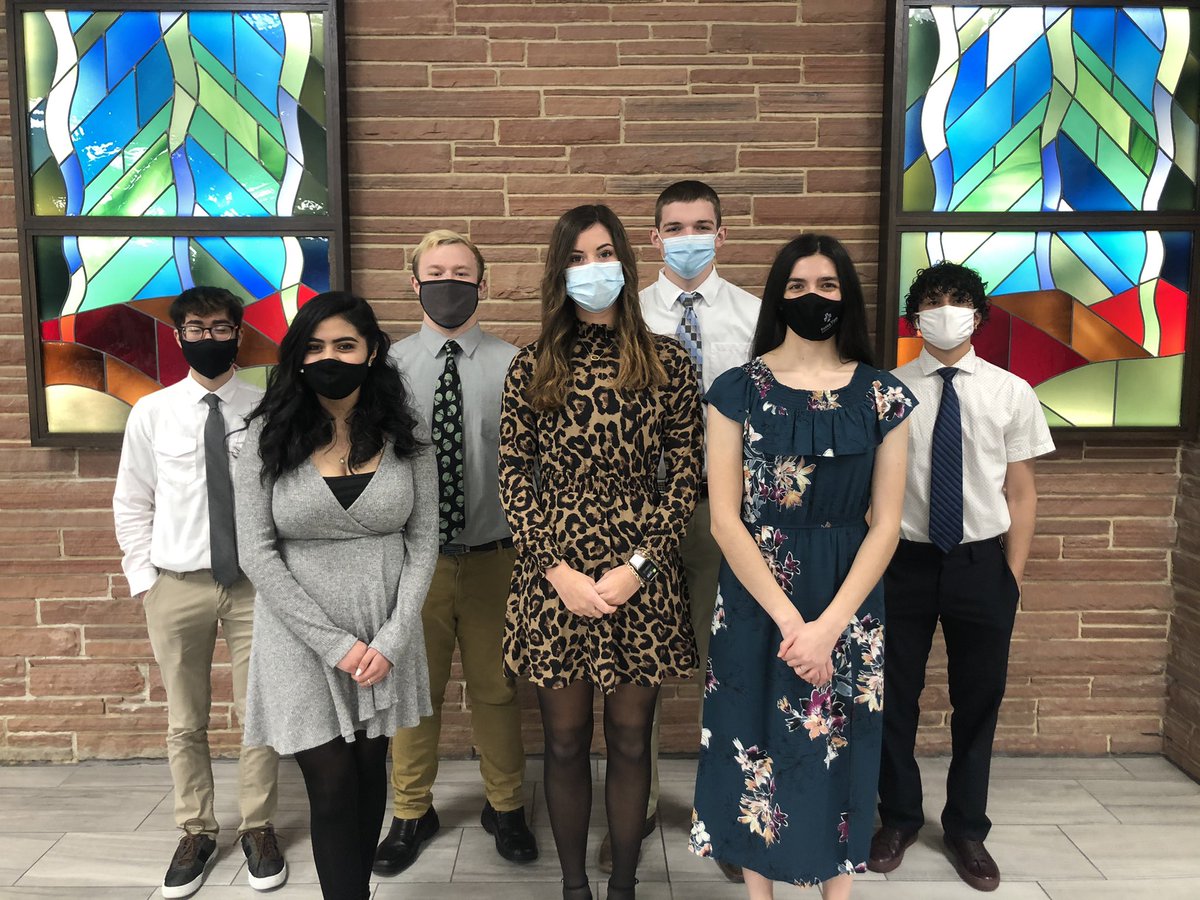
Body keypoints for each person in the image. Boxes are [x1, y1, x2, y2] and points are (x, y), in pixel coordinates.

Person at [690, 234, 915, 900]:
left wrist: (829, 627)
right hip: (759, 595)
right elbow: (724, 519)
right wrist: (794, 622)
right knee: (752, 740)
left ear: (846, 295)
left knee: (844, 747)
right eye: (796, 286)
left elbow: (888, 522)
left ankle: (836, 891)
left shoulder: (883, 396)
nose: (811, 298)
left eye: (825, 286)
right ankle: (757, 893)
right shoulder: (736, 389)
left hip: (849, 595)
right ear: (776, 296)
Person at [499, 204, 704, 900]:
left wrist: (636, 570)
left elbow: (684, 478)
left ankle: (622, 882)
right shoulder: (532, 365)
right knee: (561, 741)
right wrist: (557, 573)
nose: (594, 270)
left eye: (604, 253)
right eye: (578, 258)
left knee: (627, 738)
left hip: (639, 578)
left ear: (627, 260)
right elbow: (512, 477)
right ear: (560, 272)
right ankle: (572, 885)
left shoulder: (668, 362)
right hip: (553, 575)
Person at [234, 292, 438, 900]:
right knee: (329, 785)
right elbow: (256, 552)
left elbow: (424, 540)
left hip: (384, 629)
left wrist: (393, 638)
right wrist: (336, 646)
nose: (331, 357)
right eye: (316, 346)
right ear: (298, 357)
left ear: (372, 351)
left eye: (345, 345)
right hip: (299, 636)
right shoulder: (267, 434)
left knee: (371, 771)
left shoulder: (405, 430)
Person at [870, 262, 1053, 893]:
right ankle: (895, 817)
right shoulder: (888, 390)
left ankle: (966, 828)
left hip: (982, 564)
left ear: (978, 315)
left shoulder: (1011, 392)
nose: (943, 311)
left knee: (979, 700)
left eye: (956, 301)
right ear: (914, 316)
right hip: (904, 563)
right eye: (930, 301)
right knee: (893, 698)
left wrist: (1012, 576)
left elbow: (1022, 493)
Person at [113, 286, 286, 900]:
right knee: (185, 719)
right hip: (175, 585)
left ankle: (259, 826)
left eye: (219, 328)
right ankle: (196, 829)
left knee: (257, 713)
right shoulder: (151, 413)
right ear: (178, 335)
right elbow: (132, 501)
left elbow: (283, 501)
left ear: (238, 334)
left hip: (252, 589)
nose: (207, 338)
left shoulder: (269, 409)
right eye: (195, 328)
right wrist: (146, 581)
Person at [374, 230, 537, 876]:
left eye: (462, 273)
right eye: (435, 272)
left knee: (498, 690)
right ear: (414, 284)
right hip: (416, 560)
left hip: (499, 556)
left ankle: (507, 806)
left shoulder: (516, 364)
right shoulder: (384, 369)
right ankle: (411, 810)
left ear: (483, 284)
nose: (449, 283)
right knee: (415, 693)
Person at [620, 179, 760, 882]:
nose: (687, 237)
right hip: (639, 514)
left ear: (722, 233)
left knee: (725, 670)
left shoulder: (758, 317)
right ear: (653, 237)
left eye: (701, 225)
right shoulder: (621, 315)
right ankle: (636, 805)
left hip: (721, 510)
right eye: (673, 227)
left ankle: (728, 813)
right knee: (640, 668)